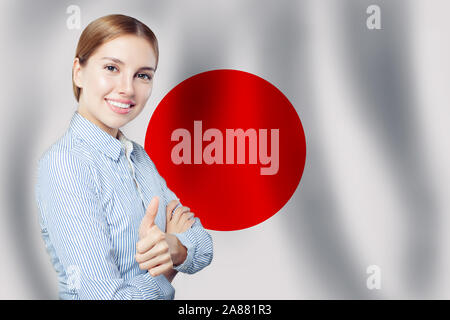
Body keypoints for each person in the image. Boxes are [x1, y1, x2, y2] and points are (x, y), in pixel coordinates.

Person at [34, 14, 213, 300]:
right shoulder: (66, 164)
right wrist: (166, 270)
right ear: (78, 72)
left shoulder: (137, 157)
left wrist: (177, 248)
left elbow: (204, 245)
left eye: (143, 75)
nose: (128, 89)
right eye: (111, 68)